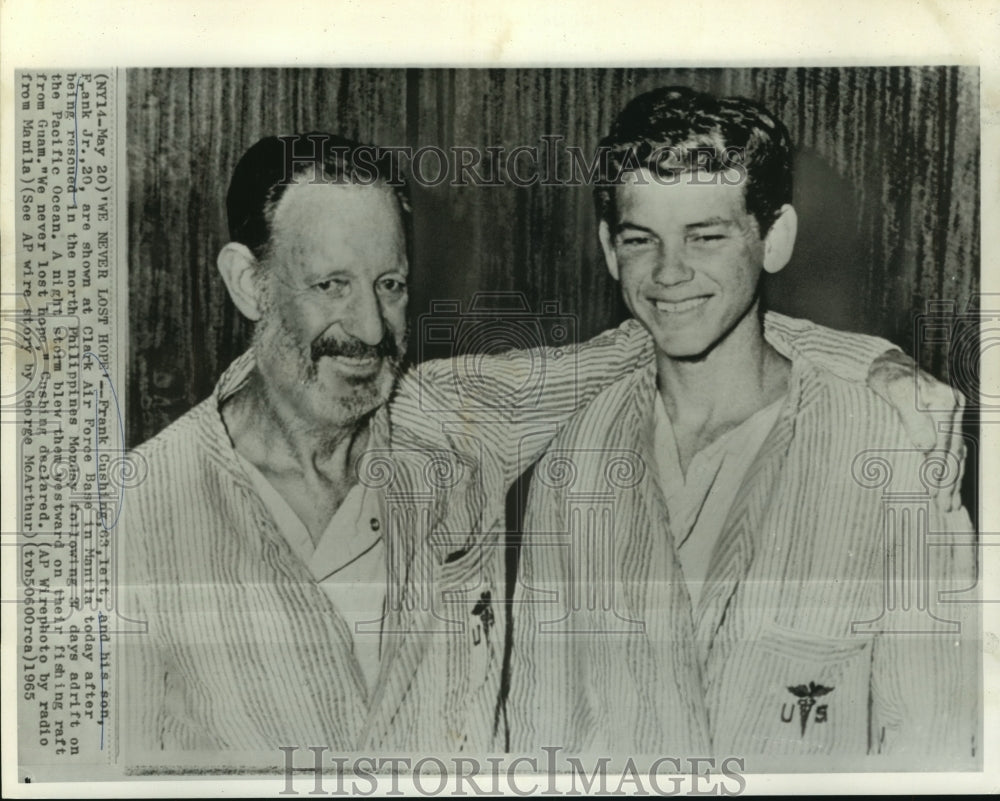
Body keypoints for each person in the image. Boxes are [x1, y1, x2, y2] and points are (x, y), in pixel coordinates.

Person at [118, 130, 958, 766]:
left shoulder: (448, 421)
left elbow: (663, 333)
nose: (371, 329)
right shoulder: (133, 514)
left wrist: (872, 367)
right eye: (332, 285)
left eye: (391, 285)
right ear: (247, 281)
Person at [509, 87, 977, 767]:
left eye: (707, 235)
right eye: (642, 240)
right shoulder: (571, 459)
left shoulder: (891, 450)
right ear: (610, 249)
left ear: (774, 237)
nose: (670, 272)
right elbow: (541, 737)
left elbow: (934, 743)